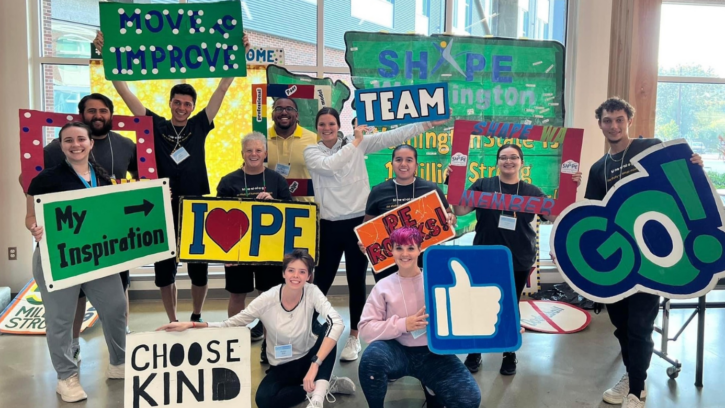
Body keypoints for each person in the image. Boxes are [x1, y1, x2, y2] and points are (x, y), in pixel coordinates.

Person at [94, 30, 251, 323]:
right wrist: (107, 54)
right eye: (177, 103)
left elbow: (222, 89)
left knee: (199, 268)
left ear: (193, 106)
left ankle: (196, 314)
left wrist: (237, 53)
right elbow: (124, 91)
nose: (182, 108)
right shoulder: (154, 124)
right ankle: (173, 319)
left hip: (196, 206)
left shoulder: (200, 125)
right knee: (164, 270)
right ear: (170, 103)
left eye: (187, 104)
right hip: (161, 207)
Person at [303, 108, 450, 362]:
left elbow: (392, 137)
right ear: (317, 127)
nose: (327, 128)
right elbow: (329, 166)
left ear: (338, 125)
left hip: (359, 224)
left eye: (331, 123)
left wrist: (426, 124)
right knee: (322, 280)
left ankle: (353, 337)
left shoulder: (356, 144)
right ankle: (306, 329)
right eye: (322, 124)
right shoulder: (312, 151)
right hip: (328, 223)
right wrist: (357, 141)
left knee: (356, 282)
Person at [585, 97, 703, 408]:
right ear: (599, 123)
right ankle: (633, 374)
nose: (614, 126)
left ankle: (636, 390)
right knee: (622, 325)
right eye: (608, 120)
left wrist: (695, 168)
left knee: (639, 324)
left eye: (619, 120)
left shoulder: (650, 148)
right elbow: (592, 216)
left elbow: (681, 178)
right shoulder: (599, 168)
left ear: (628, 121)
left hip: (654, 256)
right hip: (616, 261)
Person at [157, 249, 356, 408]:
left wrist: (315, 364)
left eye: (302, 271)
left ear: (309, 276)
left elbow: (337, 322)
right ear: (283, 273)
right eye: (291, 270)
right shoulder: (268, 298)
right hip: (282, 363)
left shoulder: (312, 292)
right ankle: (325, 383)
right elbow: (232, 323)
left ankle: (318, 397)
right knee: (264, 400)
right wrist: (191, 324)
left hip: (310, 356)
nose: (296, 276)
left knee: (328, 330)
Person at [451, 143, 582, 375]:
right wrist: (453, 182)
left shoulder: (531, 191)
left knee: (509, 306)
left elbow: (554, 215)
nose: (508, 161)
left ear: (522, 162)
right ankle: (475, 352)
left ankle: (509, 352)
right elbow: (460, 210)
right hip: (484, 256)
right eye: (503, 157)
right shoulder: (484, 185)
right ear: (497, 161)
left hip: (518, 258)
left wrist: (571, 188)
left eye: (513, 157)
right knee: (480, 304)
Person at [25, 122, 127, 402]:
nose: (76, 144)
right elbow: (30, 216)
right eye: (68, 140)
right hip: (57, 259)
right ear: (61, 145)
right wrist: (34, 227)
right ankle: (65, 377)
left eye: (81, 139)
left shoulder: (104, 178)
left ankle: (119, 363)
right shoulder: (45, 179)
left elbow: (117, 215)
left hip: (97, 257)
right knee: (60, 318)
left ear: (90, 143)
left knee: (116, 307)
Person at [43, 93, 137, 365]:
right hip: (73, 240)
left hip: (113, 237)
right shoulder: (58, 146)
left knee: (118, 294)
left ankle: (121, 347)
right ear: (81, 114)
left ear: (111, 114)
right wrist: (37, 219)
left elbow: (139, 179)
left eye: (103, 110)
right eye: (91, 110)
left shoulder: (126, 145)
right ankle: (73, 343)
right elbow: (30, 179)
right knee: (76, 296)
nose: (98, 115)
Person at [357, 227, 481, 408]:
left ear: (420, 250)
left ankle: (432, 389)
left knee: (469, 399)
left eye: (410, 248)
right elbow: (366, 329)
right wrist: (403, 324)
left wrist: (505, 328)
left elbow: (467, 311)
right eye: (399, 248)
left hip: (434, 353)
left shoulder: (437, 282)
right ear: (391, 251)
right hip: (396, 350)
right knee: (371, 359)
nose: (405, 254)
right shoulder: (383, 286)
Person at [216, 131, 292, 364]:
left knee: (268, 298)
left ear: (265, 153)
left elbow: (291, 211)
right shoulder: (229, 181)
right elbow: (218, 218)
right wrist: (224, 254)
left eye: (258, 150)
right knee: (237, 294)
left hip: (269, 250)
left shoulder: (277, 180)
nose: (254, 154)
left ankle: (269, 346)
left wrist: (275, 203)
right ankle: (234, 342)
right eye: (249, 150)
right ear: (242, 153)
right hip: (237, 250)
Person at [362, 144, 456, 282]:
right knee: (391, 302)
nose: (403, 164)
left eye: (409, 160)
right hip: (388, 264)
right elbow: (367, 227)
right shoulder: (378, 191)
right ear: (392, 163)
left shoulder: (431, 189)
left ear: (416, 165)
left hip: (424, 261)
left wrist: (450, 218)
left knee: (424, 302)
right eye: (398, 159)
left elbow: (451, 217)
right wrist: (364, 242)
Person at [267, 97, 318, 203]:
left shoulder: (314, 139)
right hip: (270, 208)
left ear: (297, 115)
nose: (284, 112)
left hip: (306, 206)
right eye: (279, 109)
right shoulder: (261, 138)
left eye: (289, 108)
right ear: (272, 115)